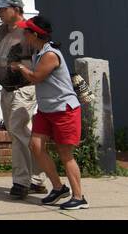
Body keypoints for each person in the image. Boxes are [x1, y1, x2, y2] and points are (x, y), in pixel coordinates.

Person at [10, 15, 87, 210]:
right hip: (46, 110)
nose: (24, 34)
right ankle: (59, 188)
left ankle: (79, 197)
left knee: (65, 153)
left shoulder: (50, 54)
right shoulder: (38, 53)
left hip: (64, 110)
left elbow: (36, 77)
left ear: (35, 34)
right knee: (35, 146)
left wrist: (19, 67)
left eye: (26, 31)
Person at [0, 0, 44, 199]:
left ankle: (21, 182)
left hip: (24, 89)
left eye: (2, 8)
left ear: (16, 9)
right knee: (19, 135)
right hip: (6, 90)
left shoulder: (29, 31)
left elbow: (42, 59)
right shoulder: (1, 31)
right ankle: (36, 178)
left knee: (19, 132)